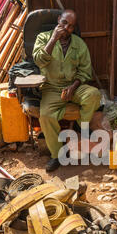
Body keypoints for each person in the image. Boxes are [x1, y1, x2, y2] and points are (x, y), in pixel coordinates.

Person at [33, 9, 102, 172]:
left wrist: (73, 86)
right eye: (64, 23)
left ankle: (81, 128)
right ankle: (56, 155)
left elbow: (85, 71)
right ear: (58, 20)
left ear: (74, 28)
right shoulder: (43, 38)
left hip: (74, 86)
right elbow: (39, 61)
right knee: (45, 115)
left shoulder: (79, 44)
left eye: (71, 26)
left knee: (94, 94)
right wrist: (53, 39)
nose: (66, 28)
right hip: (51, 87)